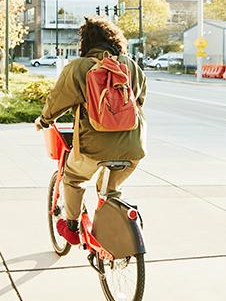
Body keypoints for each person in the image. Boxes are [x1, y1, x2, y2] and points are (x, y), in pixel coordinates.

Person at [34, 17, 146, 245]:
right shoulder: (130, 65)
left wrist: (44, 120)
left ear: (86, 42)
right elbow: (140, 99)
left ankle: (72, 228)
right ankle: (114, 221)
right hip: (133, 148)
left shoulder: (79, 68)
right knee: (109, 189)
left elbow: (56, 101)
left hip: (92, 148)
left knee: (73, 178)